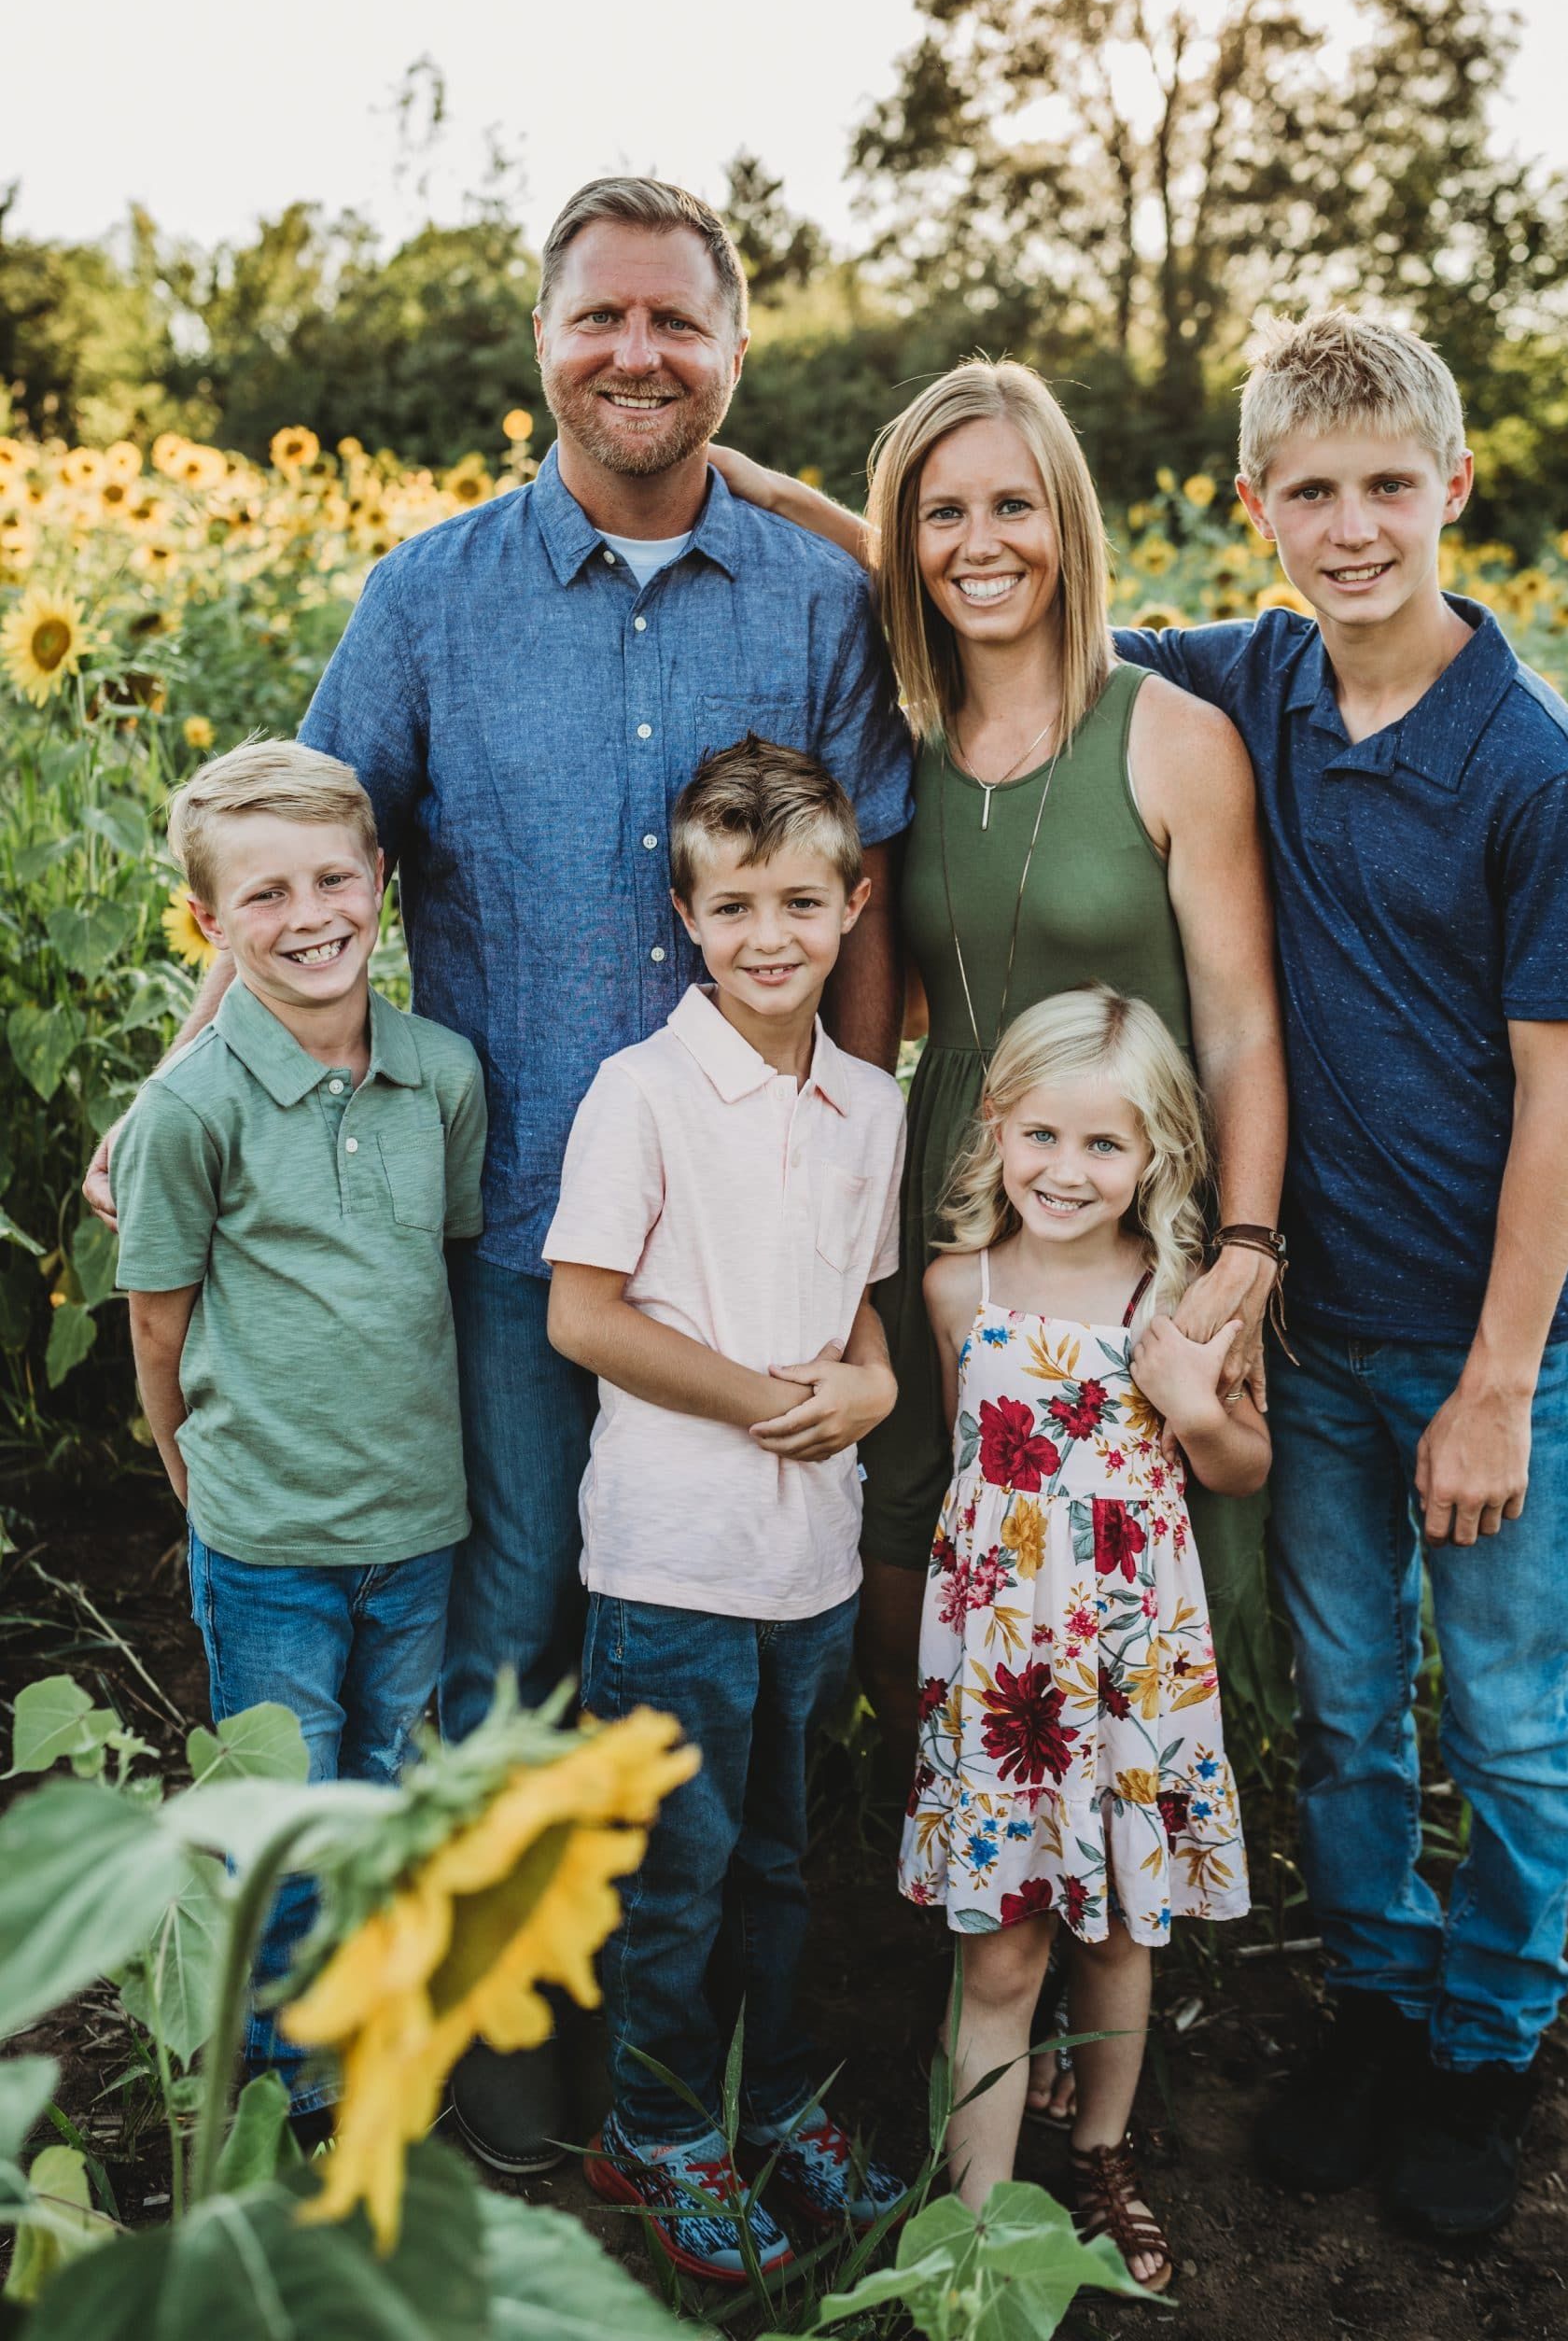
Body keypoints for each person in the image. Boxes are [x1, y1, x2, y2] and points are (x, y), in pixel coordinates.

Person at [86, 175, 912, 2170]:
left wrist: (855, 1153)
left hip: (760, 1243)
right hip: (521, 1233)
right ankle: (520, 2017)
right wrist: (173, 1074)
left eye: (677, 324)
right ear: (541, 341)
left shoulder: (813, 604)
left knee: (745, 1634)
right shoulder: (430, 596)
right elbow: (289, 860)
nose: (637, 355)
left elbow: (869, 899)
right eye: (599, 318)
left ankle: (712, 2001)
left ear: (735, 352)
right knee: (524, 1625)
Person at [1114, 312, 1568, 2240]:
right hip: (1313, 1337)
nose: (1350, 528)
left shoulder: (1530, 767)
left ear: (1455, 490)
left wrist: (1498, 1379)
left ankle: (1492, 2042)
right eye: (1310, 494)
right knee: (1346, 1706)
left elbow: (1560, 1105)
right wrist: (768, 488)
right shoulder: (1248, 684)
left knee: (1504, 1711)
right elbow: (1025, 582)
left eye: (1386, 489)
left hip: (1488, 1344)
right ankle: (1381, 1998)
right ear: (1255, 509)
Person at [730, 363, 1286, 1787]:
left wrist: (1243, 1250)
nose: (980, 543)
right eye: (941, 514)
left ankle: (1143, 1841)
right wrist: (770, 488)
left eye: (1014, 507)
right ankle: (964, 1823)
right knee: (914, 1498)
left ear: (1071, 524)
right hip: (956, 1175)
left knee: (1142, 1503)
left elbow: (1237, 1026)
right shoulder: (900, 748)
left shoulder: (1172, 737)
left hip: (1130, 1186)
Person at [541, 737, 908, 2283]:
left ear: (853, 902)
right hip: (673, 1559)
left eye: (803, 901)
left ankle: (766, 2106)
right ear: (687, 916)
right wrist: (772, 1406)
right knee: (675, 1873)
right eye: (738, 902)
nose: (773, 935)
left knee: (777, 1859)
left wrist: (875, 1390)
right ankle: (656, 2127)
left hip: (811, 1564)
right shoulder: (641, 1095)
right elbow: (583, 1315)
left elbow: (868, 1312)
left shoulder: (871, 1103)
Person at [110, 740, 485, 2143]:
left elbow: (438, 1266)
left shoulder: (442, 1074)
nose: (310, 913)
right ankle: (298, 2084)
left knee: (387, 1793)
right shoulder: (188, 1110)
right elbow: (160, 1329)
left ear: (382, 882)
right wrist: (188, 1476)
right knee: (287, 1814)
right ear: (209, 924)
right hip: (267, 1537)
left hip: (414, 1523)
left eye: (336, 876)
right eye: (264, 894)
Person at [901, 987, 1268, 2293]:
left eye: (1105, 1146)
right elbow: (972, 1479)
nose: (1068, 1171)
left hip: (1134, 1658)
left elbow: (1240, 1464)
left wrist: (1193, 1402)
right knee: (1001, 1941)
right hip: (1007, 1662)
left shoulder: (1182, 1296)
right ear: (994, 1128)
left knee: (1121, 1930)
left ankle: (1106, 2149)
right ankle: (977, 2225)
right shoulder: (959, 1287)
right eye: (1042, 1137)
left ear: (1159, 1155)